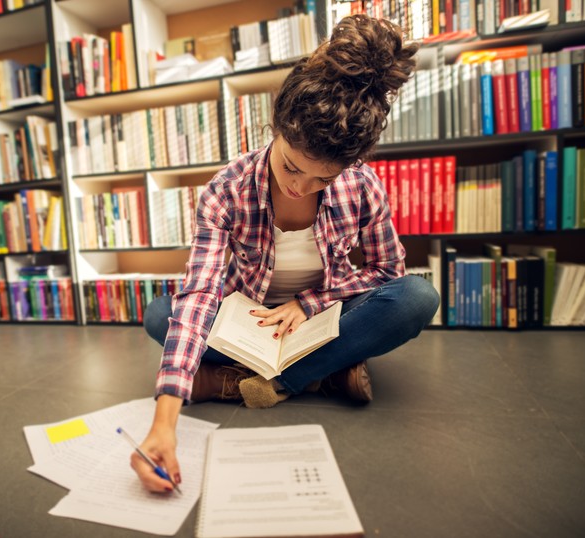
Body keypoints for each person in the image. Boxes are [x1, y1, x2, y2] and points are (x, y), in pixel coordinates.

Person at [135, 14, 439, 494]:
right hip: (249, 320)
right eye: (290, 166)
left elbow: (387, 271)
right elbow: (198, 295)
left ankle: (252, 382)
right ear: (275, 128)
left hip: (324, 314)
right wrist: (165, 419)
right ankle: (326, 375)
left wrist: (310, 303)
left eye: (322, 179)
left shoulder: (363, 185)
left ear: (349, 166)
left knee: (418, 296)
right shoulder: (226, 189)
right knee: (160, 314)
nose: (299, 189)